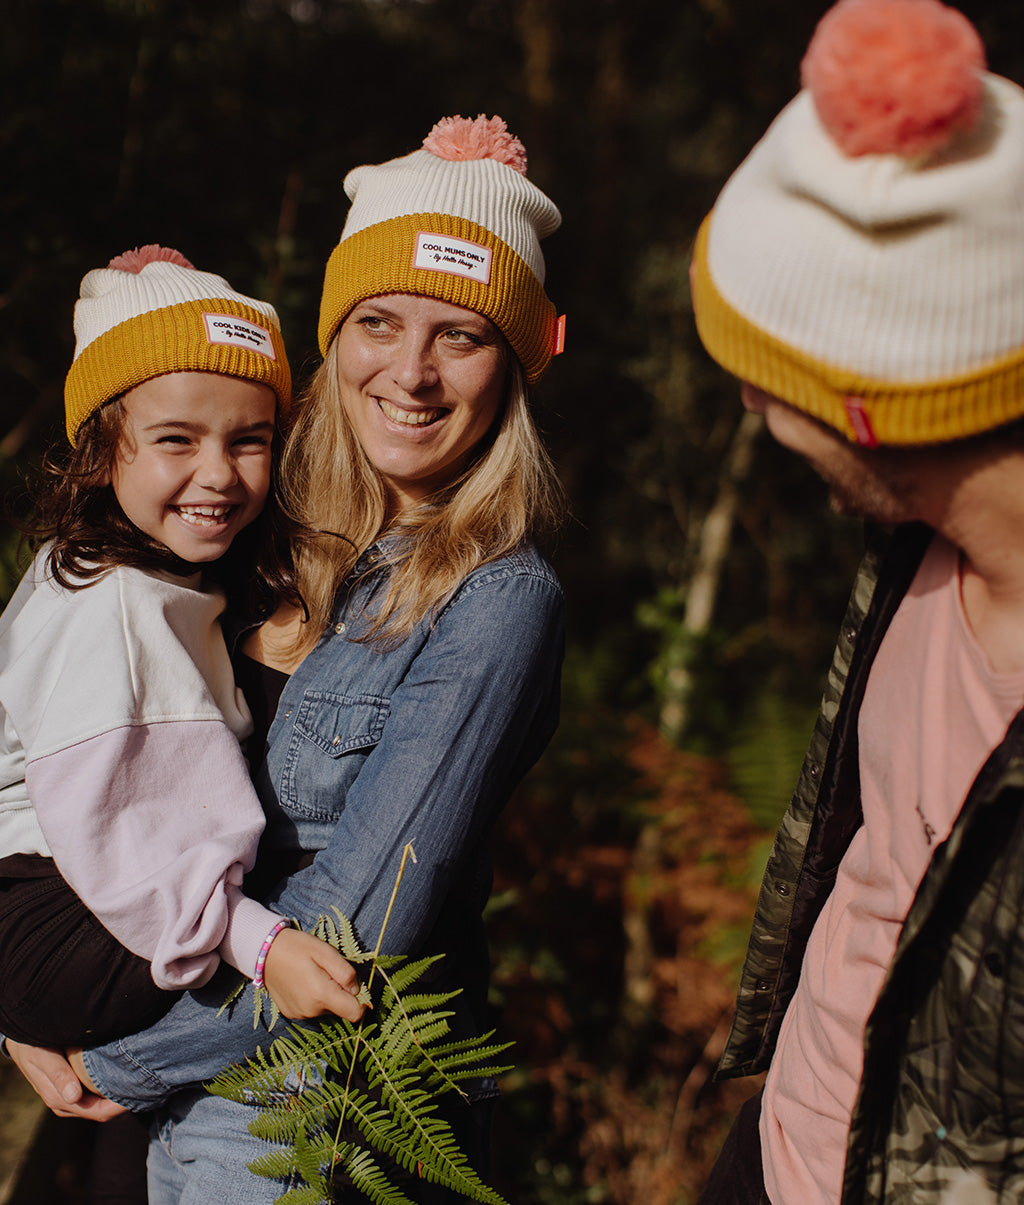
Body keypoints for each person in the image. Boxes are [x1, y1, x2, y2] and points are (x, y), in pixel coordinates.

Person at [8, 114, 566, 1204]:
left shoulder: (498, 598)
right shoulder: (241, 509)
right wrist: (25, 999)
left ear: (514, 363)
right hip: (151, 1058)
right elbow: (52, 745)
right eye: (379, 321)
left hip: (307, 1108)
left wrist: (102, 1059)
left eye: (462, 335)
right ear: (333, 333)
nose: (410, 372)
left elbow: (357, 919)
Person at [688, 0, 1024, 1201]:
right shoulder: (907, 539)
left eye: (766, 382)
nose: (748, 413)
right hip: (776, 1145)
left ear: (873, 406)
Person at [0, 244, 364, 1053]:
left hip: (62, 905)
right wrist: (260, 945)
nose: (218, 474)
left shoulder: (138, 570)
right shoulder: (113, 605)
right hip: (54, 920)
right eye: (176, 438)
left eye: (249, 440)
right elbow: (132, 833)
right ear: (101, 449)